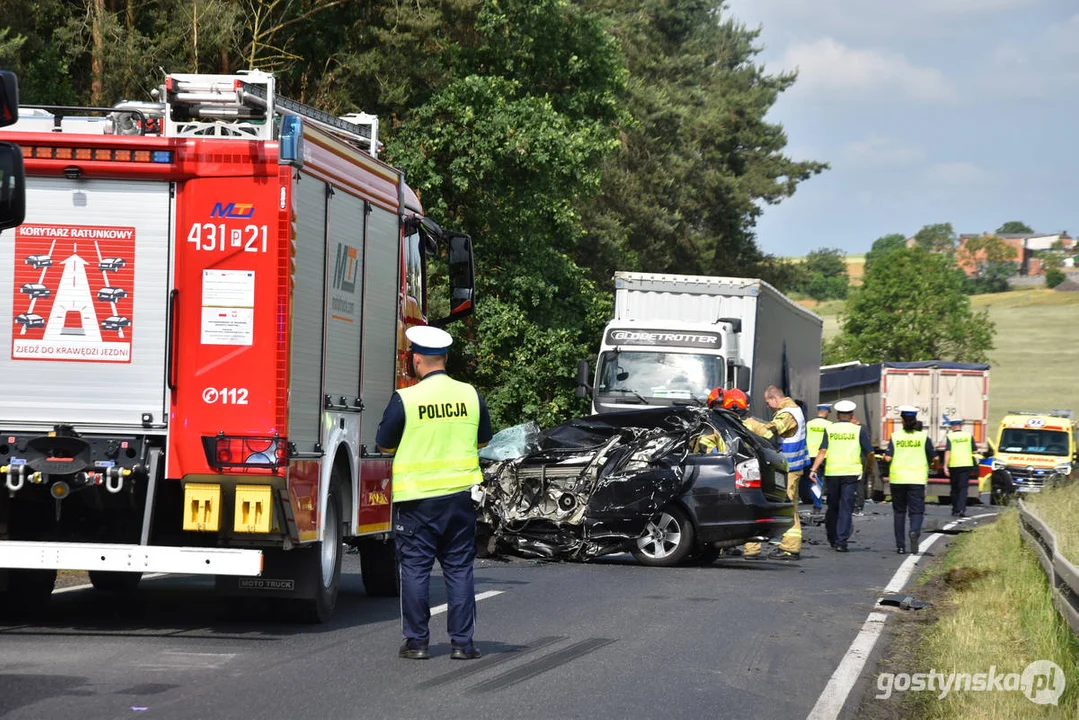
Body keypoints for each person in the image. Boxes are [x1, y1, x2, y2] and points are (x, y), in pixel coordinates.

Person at [376, 325, 493, 661]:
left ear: (416, 360)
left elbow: (384, 444)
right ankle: (462, 644)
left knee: (415, 569)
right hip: (460, 497)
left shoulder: (406, 398)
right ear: (444, 358)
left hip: (417, 501)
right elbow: (483, 440)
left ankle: (417, 643)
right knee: (459, 569)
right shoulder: (470, 395)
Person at [808, 400, 873, 553]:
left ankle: (832, 537)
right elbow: (869, 452)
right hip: (850, 474)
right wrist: (869, 466)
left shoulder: (830, 429)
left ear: (837, 415)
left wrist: (813, 469)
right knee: (846, 506)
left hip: (832, 473)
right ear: (851, 415)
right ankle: (841, 541)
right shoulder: (858, 430)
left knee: (833, 506)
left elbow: (823, 451)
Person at [760, 385, 810, 560]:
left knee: (788, 507)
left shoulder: (788, 413)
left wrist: (748, 425)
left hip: (790, 468)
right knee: (790, 506)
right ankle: (789, 545)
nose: (768, 406)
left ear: (775, 398)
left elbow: (769, 431)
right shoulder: (793, 410)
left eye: (768, 402)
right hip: (793, 467)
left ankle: (790, 547)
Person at [882, 405, 935, 555]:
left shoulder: (896, 437)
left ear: (902, 420)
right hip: (917, 480)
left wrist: (885, 460)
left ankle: (900, 546)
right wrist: (932, 465)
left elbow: (888, 457)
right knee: (916, 512)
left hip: (898, 479)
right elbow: (934, 457)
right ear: (915, 419)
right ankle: (914, 532)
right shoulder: (923, 437)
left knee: (899, 512)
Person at [943, 417, 975, 518]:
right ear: (960, 426)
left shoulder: (950, 436)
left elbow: (948, 451)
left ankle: (955, 509)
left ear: (953, 427)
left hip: (954, 465)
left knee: (955, 488)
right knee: (963, 488)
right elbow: (974, 450)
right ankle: (962, 509)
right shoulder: (968, 436)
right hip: (966, 464)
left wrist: (945, 466)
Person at [803, 403, 832, 511]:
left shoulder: (809, 424)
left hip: (811, 455)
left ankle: (817, 502)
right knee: (828, 480)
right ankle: (828, 500)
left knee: (813, 480)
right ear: (827, 412)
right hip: (825, 456)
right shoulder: (830, 425)